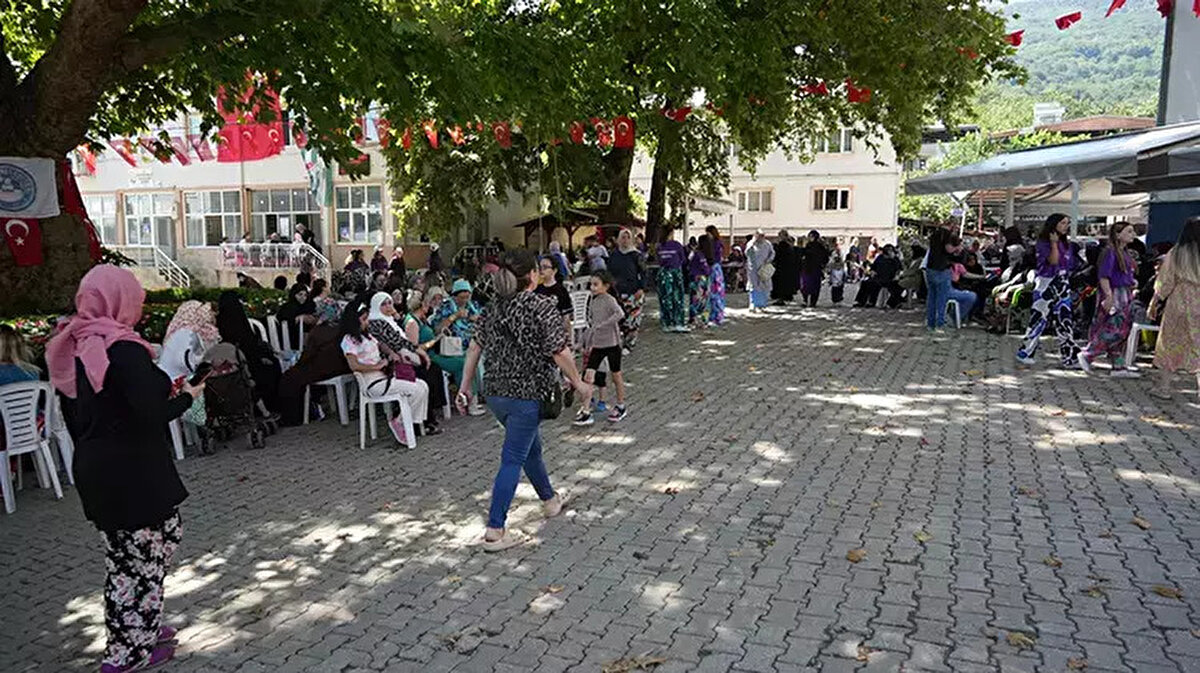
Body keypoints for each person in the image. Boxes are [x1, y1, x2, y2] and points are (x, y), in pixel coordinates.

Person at [47, 266, 202, 672]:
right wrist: (188, 398)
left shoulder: (76, 344)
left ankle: (141, 627)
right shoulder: (123, 349)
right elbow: (150, 411)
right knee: (141, 560)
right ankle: (129, 653)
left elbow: (84, 410)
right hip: (132, 472)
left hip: (99, 468)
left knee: (128, 559)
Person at [457, 248, 589, 552]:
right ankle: (495, 530)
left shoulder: (491, 308)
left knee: (530, 448)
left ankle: (550, 501)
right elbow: (559, 351)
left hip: (495, 394)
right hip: (527, 396)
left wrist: (465, 386)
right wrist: (579, 383)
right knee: (513, 458)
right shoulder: (542, 306)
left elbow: (474, 348)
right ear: (532, 275)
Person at [340, 300, 430, 445]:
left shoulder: (368, 336)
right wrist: (376, 367)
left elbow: (381, 345)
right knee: (417, 390)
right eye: (364, 319)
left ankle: (406, 423)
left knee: (423, 386)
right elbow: (354, 365)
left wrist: (391, 355)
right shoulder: (349, 340)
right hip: (372, 383)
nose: (367, 322)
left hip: (384, 376)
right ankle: (400, 422)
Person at [366, 292, 444, 435]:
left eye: (389, 303)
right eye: (383, 304)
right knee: (426, 375)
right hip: (392, 364)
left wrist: (395, 316)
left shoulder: (388, 320)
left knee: (432, 370)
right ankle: (418, 423)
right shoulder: (376, 322)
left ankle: (423, 420)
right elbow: (396, 341)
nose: (388, 306)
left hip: (403, 358)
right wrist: (419, 352)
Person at [1017, 214, 1082, 367]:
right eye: (1062, 223)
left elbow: (1070, 264)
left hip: (1063, 282)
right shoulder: (1044, 242)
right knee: (1039, 318)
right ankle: (1026, 351)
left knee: (1064, 320)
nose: (1066, 226)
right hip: (1046, 282)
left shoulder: (1067, 244)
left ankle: (1069, 357)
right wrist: (1053, 244)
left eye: (1067, 223)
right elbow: (1053, 261)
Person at [1078, 222, 1141, 377]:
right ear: (1118, 234)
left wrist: (1131, 282)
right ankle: (1088, 353)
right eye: (1129, 231)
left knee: (1120, 329)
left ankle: (1118, 366)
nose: (1133, 234)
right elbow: (1104, 276)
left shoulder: (1123, 252)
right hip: (1115, 293)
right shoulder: (1110, 252)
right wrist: (1109, 296)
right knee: (1115, 328)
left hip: (1124, 292)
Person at [1148, 217, 1200, 399]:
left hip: (1180, 301)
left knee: (1169, 343)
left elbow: (1165, 282)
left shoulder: (1176, 253)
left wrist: (1154, 302)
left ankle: (1164, 388)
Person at [574, 271, 628, 425]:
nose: (592, 287)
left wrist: (605, 324)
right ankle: (586, 410)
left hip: (612, 344)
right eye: (591, 284)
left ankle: (621, 405)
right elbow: (591, 325)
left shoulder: (610, 300)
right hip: (597, 344)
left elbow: (619, 313)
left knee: (616, 375)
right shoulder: (592, 301)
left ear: (606, 286)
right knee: (588, 376)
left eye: (596, 284)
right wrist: (583, 342)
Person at [216, 291, 283, 412]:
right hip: (245, 363)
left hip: (235, 362)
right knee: (271, 369)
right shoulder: (238, 319)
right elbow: (248, 344)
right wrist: (260, 357)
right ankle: (271, 407)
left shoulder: (220, 321)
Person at [609, 228, 647, 349]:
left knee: (632, 319)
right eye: (623, 238)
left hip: (634, 290)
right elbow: (609, 272)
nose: (625, 240)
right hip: (618, 291)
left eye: (628, 238)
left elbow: (644, 272)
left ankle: (630, 343)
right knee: (620, 318)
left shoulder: (636, 255)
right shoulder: (614, 255)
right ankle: (619, 342)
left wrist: (641, 288)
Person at [433, 279, 484, 347]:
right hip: (453, 346)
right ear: (454, 296)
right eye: (462, 298)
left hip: (473, 345)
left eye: (467, 297)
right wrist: (455, 316)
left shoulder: (474, 306)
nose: (465, 300)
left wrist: (477, 318)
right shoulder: (446, 307)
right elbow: (437, 329)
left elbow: (485, 321)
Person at [924, 227, 955, 331]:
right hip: (941, 269)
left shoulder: (934, 235)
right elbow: (949, 249)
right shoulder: (946, 235)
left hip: (930, 268)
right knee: (941, 299)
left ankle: (930, 323)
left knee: (931, 298)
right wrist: (957, 248)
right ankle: (940, 323)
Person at [656, 235, 688, 332]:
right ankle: (678, 322)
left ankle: (666, 323)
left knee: (665, 298)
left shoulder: (659, 246)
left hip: (663, 274)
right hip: (675, 273)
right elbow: (683, 259)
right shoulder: (676, 245)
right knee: (677, 298)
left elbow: (659, 260)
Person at [536, 255, 574, 339]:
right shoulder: (536, 289)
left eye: (545, 267)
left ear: (554, 270)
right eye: (540, 267)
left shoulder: (561, 290)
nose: (541, 270)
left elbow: (566, 318)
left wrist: (567, 337)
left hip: (555, 332)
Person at [276, 283, 317, 351]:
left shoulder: (309, 305)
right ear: (294, 294)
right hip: (292, 340)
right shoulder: (287, 308)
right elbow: (284, 321)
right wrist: (298, 319)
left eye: (305, 295)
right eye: (300, 294)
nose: (303, 297)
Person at [745, 229, 775, 312]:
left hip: (764, 268)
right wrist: (752, 245)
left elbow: (772, 253)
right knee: (753, 286)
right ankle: (753, 304)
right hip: (753, 269)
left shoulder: (767, 244)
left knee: (764, 287)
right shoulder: (751, 243)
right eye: (759, 236)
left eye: (762, 236)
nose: (761, 238)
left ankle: (762, 305)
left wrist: (769, 260)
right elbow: (747, 253)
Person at [799, 230, 829, 307]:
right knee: (814, 287)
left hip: (809, 269)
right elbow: (825, 258)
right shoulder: (820, 247)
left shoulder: (812, 246)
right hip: (814, 269)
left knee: (806, 286)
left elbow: (804, 254)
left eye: (810, 236)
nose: (809, 238)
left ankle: (806, 301)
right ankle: (812, 302)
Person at [705, 225, 727, 325]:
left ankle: (716, 315)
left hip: (713, 268)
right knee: (717, 292)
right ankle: (717, 314)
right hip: (717, 269)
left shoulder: (714, 244)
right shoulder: (718, 243)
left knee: (714, 293)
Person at [688, 235, 712, 326]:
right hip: (700, 279)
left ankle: (695, 319)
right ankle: (701, 320)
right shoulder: (700, 254)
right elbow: (704, 267)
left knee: (696, 300)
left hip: (696, 279)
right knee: (702, 301)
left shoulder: (696, 253)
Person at [771, 229, 798, 304]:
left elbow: (778, 256)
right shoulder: (789, 246)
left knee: (780, 284)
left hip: (781, 268)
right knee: (785, 283)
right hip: (788, 268)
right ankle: (786, 296)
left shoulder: (782, 245)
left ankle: (781, 299)